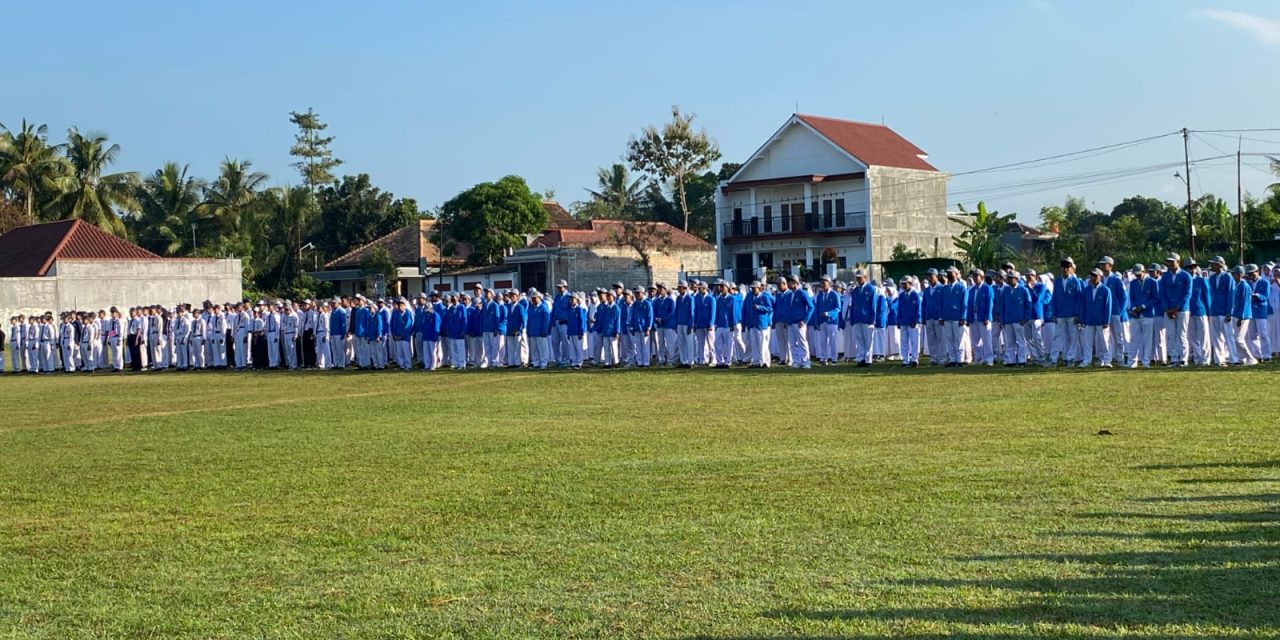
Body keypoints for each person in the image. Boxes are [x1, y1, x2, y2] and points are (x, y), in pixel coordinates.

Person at [1160, 252, 1193, 367]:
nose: (1169, 264)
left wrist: (1176, 308)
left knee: (1181, 334)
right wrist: (1167, 309)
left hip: (1182, 309)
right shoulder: (1165, 276)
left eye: (1171, 261)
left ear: (1178, 262)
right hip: (1168, 310)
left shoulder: (1185, 276)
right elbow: (1162, 293)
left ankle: (1183, 359)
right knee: (1170, 334)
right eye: (1168, 262)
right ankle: (1174, 358)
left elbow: (1187, 294)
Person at [1051, 258, 1083, 366]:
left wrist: (1078, 313)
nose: (1065, 269)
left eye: (1068, 267)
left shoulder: (1075, 281)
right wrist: (1054, 313)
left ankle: (1070, 358)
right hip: (1060, 313)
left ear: (1070, 268)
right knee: (1057, 336)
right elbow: (1054, 298)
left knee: (1072, 337)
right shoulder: (1057, 281)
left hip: (1072, 313)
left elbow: (1079, 298)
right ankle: (1053, 358)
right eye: (1064, 267)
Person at [1098, 256, 1129, 366]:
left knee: (1117, 337)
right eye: (1101, 264)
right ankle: (1107, 360)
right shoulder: (1100, 279)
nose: (1101, 266)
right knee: (1104, 337)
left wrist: (1119, 311)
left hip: (1115, 312)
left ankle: (1120, 358)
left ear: (1110, 265)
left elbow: (1124, 297)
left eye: (1104, 264)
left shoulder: (1116, 280)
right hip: (1103, 313)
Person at [1079, 268, 1112, 367]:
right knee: (1087, 342)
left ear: (1100, 277)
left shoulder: (1105, 290)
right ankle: (1087, 360)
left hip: (1101, 320)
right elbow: (1083, 305)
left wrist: (1107, 321)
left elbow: (1108, 306)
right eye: (1091, 276)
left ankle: (1106, 360)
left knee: (1104, 341)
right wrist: (1082, 319)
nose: (1093, 278)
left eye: (1095, 276)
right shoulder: (1086, 290)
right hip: (1089, 319)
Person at [1127, 264, 1159, 368]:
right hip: (1136, 314)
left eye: (1139, 274)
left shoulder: (1152, 282)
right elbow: (1131, 298)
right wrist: (1133, 309)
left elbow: (1155, 298)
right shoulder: (1133, 283)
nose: (1137, 276)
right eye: (1136, 275)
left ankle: (1146, 361)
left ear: (1144, 272)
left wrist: (1143, 306)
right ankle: (1132, 362)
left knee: (1147, 339)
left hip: (1148, 313)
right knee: (1134, 339)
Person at [847, 270, 879, 367]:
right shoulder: (855, 290)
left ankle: (868, 359)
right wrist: (852, 318)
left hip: (867, 319)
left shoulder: (871, 289)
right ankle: (861, 358)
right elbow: (853, 305)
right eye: (857, 277)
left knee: (868, 340)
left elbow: (873, 306)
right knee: (859, 340)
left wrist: (872, 320)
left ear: (865, 277)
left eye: (860, 277)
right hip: (857, 318)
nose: (858, 279)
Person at [1206, 256, 1234, 366]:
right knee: (1216, 337)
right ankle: (1219, 359)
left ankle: (1233, 358)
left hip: (1224, 311)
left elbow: (1230, 295)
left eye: (1213, 264)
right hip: (1214, 311)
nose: (1211, 266)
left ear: (1219, 265)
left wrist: (1229, 312)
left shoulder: (1228, 277)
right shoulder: (1211, 278)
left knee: (1228, 336)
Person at [939, 266, 968, 367]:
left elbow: (964, 304)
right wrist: (941, 317)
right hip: (947, 317)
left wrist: (963, 317)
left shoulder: (961, 288)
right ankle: (952, 359)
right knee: (949, 339)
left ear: (956, 274)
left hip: (957, 317)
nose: (949, 275)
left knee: (959, 339)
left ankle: (960, 360)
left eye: (951, 273)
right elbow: (941, 303)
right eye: (948, 273)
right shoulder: (944, 289)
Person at [785, 275, 814, 369]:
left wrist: (805, 320)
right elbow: (789, 309)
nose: (788, 284)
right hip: (791, 322)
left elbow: (811, 307)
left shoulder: (802, 293)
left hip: (799, 323)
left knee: (802, 342)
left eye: (790, 282)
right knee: (792, 343)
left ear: (795, 283)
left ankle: (806, 361)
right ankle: (796, 361)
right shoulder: (789, 294)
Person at [1245, 264, 1272, 363]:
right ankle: (1257, 354)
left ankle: (1267, 355)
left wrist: (1257, 296)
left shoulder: (1264, 282)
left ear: (1258, 272)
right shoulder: (1247, 283)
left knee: (1263, 334)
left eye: (1252, 273)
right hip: (1251, 311)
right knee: (1252, 335)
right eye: (1249, 274)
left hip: (1261, 311)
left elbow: (1265, 296)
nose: (1251, 276)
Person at [1229, 265, 1255, 365]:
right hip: (1236, 314)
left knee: (1238, 339)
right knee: (1236, 338)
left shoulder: (1244, 286)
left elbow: (1245, 303)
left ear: (1240, 275)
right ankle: (1242, 358)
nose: (1232, 275)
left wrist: (1241, 317)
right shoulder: (1237, 285)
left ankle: (1250, 358)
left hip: (1243, 316)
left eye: (1234, 274)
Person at [1187, 260, 1211, 366]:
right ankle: (1197, 357)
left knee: (1204, 336)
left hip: (1201, 311)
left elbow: (1207, 297)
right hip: (1189, 312)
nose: (1192, 270)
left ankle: (1206, 358)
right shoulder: (1185, 280)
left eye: (1194, 267)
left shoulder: (1201, 280)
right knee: (1192, 337)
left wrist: (1209, 312)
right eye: (1190, 267)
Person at [744, 280, 773, 367]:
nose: (752, 290)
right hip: (753, 323)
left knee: (763, 344)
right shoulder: (751, 297)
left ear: (759, 288)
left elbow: (770, 308)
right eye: (752, 288)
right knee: (754, 344)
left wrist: (759, 307)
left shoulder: (764, 297)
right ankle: (756, 361)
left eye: (754, 288)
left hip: (761, 323)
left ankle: (764, 361)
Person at [897, 276, 923, 367]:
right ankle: (905, 360)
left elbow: (919, 309)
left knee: (914, 341)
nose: (903, 285)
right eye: (902, 284)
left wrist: (916, 320)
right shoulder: (901, 295)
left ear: (910, 283)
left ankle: (915, 359)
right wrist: (899, 321)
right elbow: (899, 309)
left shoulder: (916, 295)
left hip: (913, 322)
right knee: (903, 341)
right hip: (904, 321)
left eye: (905, 283)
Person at [526, 291, 551, 370]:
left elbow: (546, 320)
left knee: (542, 348)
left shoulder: (543, 307)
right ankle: (536, 363)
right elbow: (529, 320)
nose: (533, 300)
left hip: (540, 332)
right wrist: (528, 330)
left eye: (535, 298)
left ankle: (544, 363)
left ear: (539, 298)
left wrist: (544, 331)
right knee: (534, 349)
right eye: (532, 298)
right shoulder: (531, 308)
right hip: (533, 331)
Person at [631, 287, 654, 367]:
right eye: (636, 293)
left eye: (638, 293)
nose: (636, 295)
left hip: (644, 328)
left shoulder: (647, 304)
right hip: (637, 328)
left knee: (645, 346)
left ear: (642, 293)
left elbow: (650, 317)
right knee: (638, 346)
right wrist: (632, 327)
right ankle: (640, 362)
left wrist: (648, 328)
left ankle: (646, 362)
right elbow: (633, 316)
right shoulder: (635, 304)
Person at [565, 293, 588, 369]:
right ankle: (574, 362)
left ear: (577, 300)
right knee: (572, 348)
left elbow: (582, 321)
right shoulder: (570, 309)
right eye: (570, 299)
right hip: (571, 331)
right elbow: (569, 321)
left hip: (577, 332)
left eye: (572, 299)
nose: (571, 300)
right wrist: (568, 332)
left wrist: (581, 331)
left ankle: (579, 362)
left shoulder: (579, 309)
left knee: (578, 348)